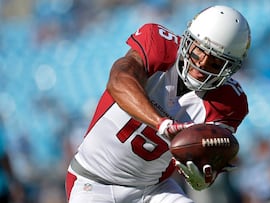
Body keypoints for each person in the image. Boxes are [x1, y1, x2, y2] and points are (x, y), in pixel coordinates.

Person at [65, 5, 251, 203]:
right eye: (198, 52)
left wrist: (203, 175)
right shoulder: (158, 45)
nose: (201, 65)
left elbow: (208, 158)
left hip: (154, 190)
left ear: (229, 68)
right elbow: (119, 80)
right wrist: (162, 124)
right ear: (188, 41)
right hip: (93, 181)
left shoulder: (230, 103)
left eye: (215, 63)